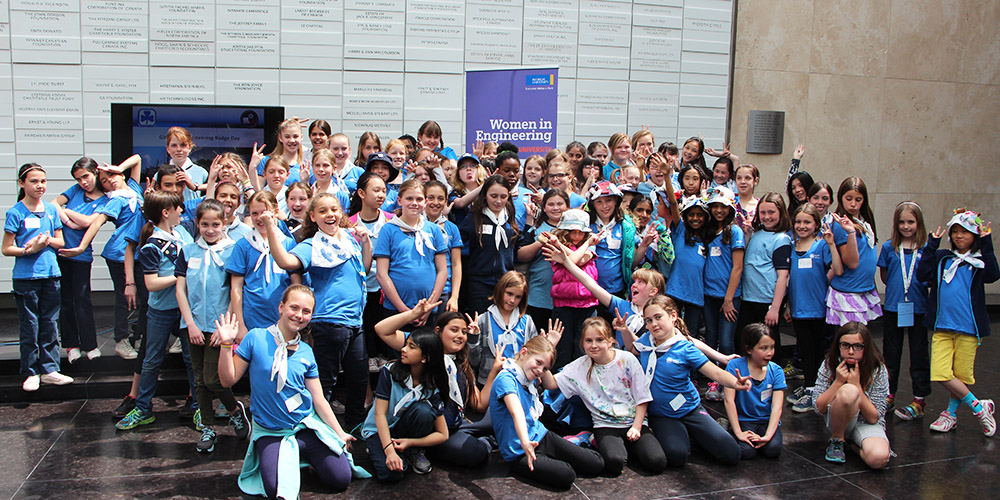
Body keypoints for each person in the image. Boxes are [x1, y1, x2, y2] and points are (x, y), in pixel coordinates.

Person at [217, 286, 368, 498]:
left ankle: (301, 455)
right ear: (281, 307)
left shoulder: (306, 351)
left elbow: (318, 399)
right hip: (272, 431)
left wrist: (339, 432)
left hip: (304, 427)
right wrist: (226, 344)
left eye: (306, 311)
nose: (299, 315)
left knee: (340, 479)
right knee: (276, 490)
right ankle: (278, 457)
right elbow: (227, 380)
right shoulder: (256, 338)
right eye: (294, 308)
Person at [263, 193, 373, 429]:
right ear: (312, 216)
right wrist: (271, 227)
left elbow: (363, 269)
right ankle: (318, 430)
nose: (330, 215)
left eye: (334, 209)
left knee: (359, 378)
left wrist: (367, 244)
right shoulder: (312, 245)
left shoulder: (348, 239)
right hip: (330, 322)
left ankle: (354, 426)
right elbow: (285, 261)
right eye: (322, 211)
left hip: (355, 321)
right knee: (325, 382)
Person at [627, 295, 751, 467]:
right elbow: (632, 349)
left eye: (658, 317)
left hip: (689, 409)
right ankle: (685, 435)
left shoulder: (684, 347)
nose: (653, 324)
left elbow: (714, 372)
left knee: (731, 454)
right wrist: (624, 330)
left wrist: (735, 383)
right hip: (662, 414)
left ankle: (702, 434)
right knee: (677, 456)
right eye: (648, 320)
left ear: (673, 316)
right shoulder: (645, 342)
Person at [376, 303, 499, 469]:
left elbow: (480, 404)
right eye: (454, 330)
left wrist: (495, 371)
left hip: (457, 424)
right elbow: (382, 330)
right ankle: (421, 449)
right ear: (438, 331)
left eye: (463, 332)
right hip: (431, 429)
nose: (460, 336)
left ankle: (489, 437)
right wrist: (413, 314)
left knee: (498, 414)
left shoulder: (460, 363)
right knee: (475, 452)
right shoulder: (422, 349)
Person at [175, 199, 250, 452]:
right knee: (198, 379)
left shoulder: (232, 249)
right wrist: (190, 324)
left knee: (213, 379)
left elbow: (234, 290)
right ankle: (208, 427)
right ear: (197, 223)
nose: (209, 229)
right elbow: (181, 290)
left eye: (215, 224)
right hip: (194, 325)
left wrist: (226, 326)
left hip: (220, 327)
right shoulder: (187, 251)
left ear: (224, 224)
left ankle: (232, 408)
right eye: (204, 224)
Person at [116, 190, 194, 430]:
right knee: (151, 360)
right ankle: (143, 407)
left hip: (186, 309)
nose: (182, 210)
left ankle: (199, 406)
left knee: (192, 360)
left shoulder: (182, 232)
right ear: (165, 212)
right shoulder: (151, 245)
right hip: (162, 311)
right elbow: (151, 284)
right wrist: (180, 276)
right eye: (177, 207)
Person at [918, 209, 997, 436]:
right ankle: (979, 407)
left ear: (974, 235)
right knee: (941, 373)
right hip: (943, 326)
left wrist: (986, 242)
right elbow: (923, 274)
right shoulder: (943, 257)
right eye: (955, 231)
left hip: (969, 329)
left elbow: (993, 274)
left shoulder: (979, 262)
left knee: (961, 376)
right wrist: (932, 245)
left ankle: (950, 415)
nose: (959, 236)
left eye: (965, 232)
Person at [553, 317, 666, 475]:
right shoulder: (579, 366)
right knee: (614, 463)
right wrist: (549, 348)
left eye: (599, 340)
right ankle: (593, 439)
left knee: (657, 462)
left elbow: (642, 397)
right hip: (605, 424)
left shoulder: (627, 360)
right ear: (583, 343)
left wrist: (637, 427)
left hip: (633, 421)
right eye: (589, 340)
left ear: (610, 341)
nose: (594, 345)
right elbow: (550, 384)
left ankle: (628, 445)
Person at [491, 335, 605, 489]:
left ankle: (574, 441)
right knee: (566, 475)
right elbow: (516, 412)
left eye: (544, 368)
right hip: (520, 451)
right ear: (523, 353)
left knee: (596, 463)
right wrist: (525, 442)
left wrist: (548, 348)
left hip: (541, 436)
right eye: (538, 363)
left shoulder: (527, 377)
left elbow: (548, 384)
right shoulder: (506, 378)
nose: (540, 370)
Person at [58, 155, 143, 360]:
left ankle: (139, 337)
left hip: (139, 252)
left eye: (112, 176)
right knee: (124, 298)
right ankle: (121, 341)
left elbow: (138, 159)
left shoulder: (134, 188)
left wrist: (117, 167)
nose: (110, 181)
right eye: (105, 180)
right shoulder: (114, 200)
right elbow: (95, 223)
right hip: (119, 253)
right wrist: (81, 247)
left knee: (144, 297)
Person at [4, 163, 71, 391]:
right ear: (22, 184)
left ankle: (51, 369)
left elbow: (60, 241)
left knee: (50, 323)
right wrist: (28, 250)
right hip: (26, 277)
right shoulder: (15, 212)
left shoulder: (51, 210)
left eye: (43, 181)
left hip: (51, 274)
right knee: (30, 324)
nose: (39, 186)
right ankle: (31, 371)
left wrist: (46, 241)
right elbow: (6, 248)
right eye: (34, 181)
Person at [361, 330, 450, 481]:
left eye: (411, 347)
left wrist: (411, 443)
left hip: (405, 431)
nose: (403, 349)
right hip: (379, 429)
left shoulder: (432, 384)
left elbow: (443, 434)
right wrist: (389, 451)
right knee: (392, 474)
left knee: (424, 411)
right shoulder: (390, 372)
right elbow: (380, 414)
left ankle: (413, 452)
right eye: (406, 344)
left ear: (425, 358)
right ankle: (379, 448)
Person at [785, 203, 842, 412]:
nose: (802, 225)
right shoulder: (791, 247)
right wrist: (788, 306)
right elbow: (790, 281)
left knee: (819, 351)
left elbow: (837, 268)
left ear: (816, 224)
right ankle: (810, 386)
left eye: (807, 222)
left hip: (819, 310)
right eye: (798, 221)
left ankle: (814, 390)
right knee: (806, 349)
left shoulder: (822, 247)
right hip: (799, 309)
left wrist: (832, 245)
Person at [877, 201, 931, 420]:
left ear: (918, 223)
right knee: (891, 352)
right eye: (902, 222)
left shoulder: (926, 249)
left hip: (918, 309)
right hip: (893, 308)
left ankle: (919, 399)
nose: (906, 226)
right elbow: (885, 276)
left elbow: (928, 277)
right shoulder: (890, 247)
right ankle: (889, 394)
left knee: (919, 353)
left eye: (910, 221)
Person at [812, 322, 891, 468]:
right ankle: (837, 440)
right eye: (845, 345)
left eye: (857, 346)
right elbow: (819, 408)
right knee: (848, 391)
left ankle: (851, 445)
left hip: (866, 423)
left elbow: (874, 417)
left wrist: (858, 386)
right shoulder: (829, 364)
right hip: (838, 421)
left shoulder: (878, 370)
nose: (851, 351)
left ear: (866, 348)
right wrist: (838, 382)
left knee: (878, 459)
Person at [53, 157, 107, 363]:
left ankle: (90, 345)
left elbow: (87, 222)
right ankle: (71, 345)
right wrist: (67, 218)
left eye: (86, 176)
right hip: (60, 252)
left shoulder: (105, 199)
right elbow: (53, 204)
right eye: (78, 179)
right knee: (64, 301)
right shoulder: (75, 191)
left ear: (95, 172)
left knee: (82, 300)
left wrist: (66, 212)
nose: (83, 182)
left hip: (81, 255)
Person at [375, 179, 447, 327]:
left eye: (419, 199)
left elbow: (442, 271)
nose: (414, 203)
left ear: (425, 202)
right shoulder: (388, 230)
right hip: (397, 310)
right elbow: (382, 274)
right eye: (409, 198)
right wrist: (405, 312)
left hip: (428, 310)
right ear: (399, 200)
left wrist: (429, 307)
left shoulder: (433, 230)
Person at [736, 193, 792, 364]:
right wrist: (746, 235)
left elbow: (783, 276)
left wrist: (775, 307)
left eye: (772, 212)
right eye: (763, 213)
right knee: (744, 339)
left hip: (766, 300)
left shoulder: (781, 239)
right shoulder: (756, 234)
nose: (767, 217)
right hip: (748, 298)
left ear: (781, 213)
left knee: (770, 343)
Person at [723, 324, 786, 459]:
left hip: (765, 420)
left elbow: (777, 407)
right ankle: (728, 429)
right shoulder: (735, 366)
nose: (770, 353)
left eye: (772, 347)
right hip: (744, 420)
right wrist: (739, 432)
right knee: (747, 452)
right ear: (749, 349)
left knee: (773, 449)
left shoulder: (776, 371)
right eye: (764, 348)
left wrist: (767, 436)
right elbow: (729, 400)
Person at [826, 177, 882, 328]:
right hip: (849, 292)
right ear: (841, 198)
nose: (853, 204)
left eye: (858, 199)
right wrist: (850, 232)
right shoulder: (841, 225)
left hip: (864, 288)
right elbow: (851, 262)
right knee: (851, 338)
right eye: (848, 198)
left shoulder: (864, 221)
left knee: (860, 340)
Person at [460, 175, 519, 315]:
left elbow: (516, 248)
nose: (498, 201)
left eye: (503, 196)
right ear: (485, 195)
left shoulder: (509, 218)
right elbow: (460, 246)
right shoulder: (474, 217)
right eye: (493, 196)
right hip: (479, 283)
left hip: (505, 283)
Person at [471, 271, 538, 383]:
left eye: (518, 297)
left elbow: (534, 356)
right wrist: (473, 338)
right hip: (489, 381)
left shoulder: (527, 322)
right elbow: (474, 361)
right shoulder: (484, 320)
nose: (512, 300)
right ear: (500, 291)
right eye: (509, 294)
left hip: (520, 381)